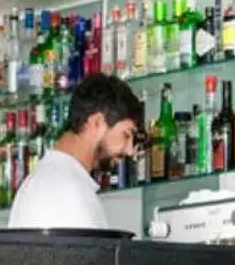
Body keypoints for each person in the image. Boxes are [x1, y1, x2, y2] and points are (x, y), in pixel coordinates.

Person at [8, 74, 142, 230]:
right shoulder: (66, 189)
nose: (130, 150)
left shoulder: (51, 178)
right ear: (97, 123)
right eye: (126, 135)